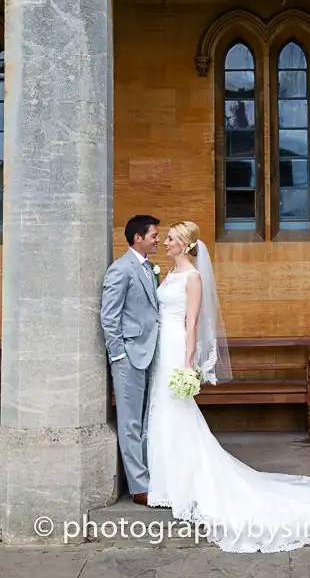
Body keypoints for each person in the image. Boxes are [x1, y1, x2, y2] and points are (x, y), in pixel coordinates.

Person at [144, 221, 310, 553]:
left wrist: (188, 362)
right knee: (161, 409)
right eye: (167, 239)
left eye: (172, 240)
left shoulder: (193, 277)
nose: (166, 243)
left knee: (178, 409)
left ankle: (180, 484)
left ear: (186, 246)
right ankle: (162, 480)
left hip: (177, 348)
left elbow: (191, 322)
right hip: (161, 347)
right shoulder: (168, 274)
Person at [100, 214, 160, 505]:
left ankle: (150, 475)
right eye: (154, 235)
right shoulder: (120, 270)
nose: (157, 239)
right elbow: (109, 316)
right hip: (129, 358)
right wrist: (119, 354)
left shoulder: (149, 268)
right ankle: (139, 487)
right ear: (138, 237)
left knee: (147, 420)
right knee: (130, 422)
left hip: (150, 354)